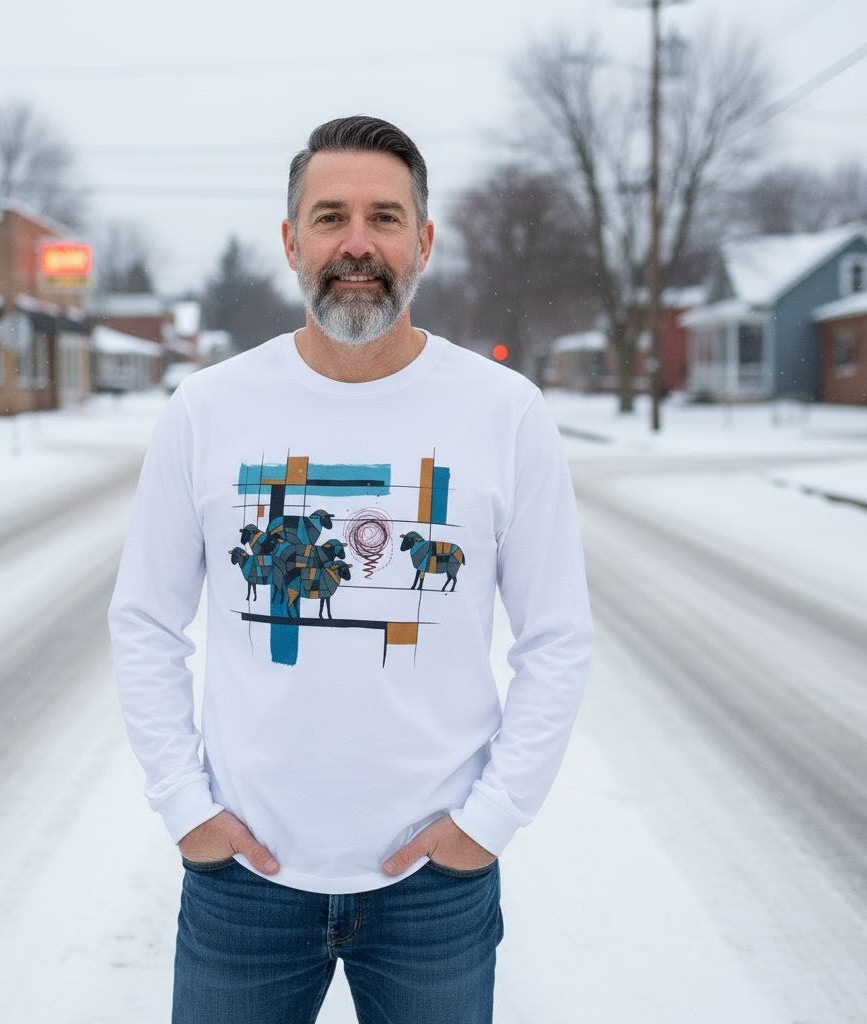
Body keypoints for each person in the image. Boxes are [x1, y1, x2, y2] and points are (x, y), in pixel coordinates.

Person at [108, 114, 592, 1024]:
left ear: (425, 240)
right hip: (245, 881)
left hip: (432, 889)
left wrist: (488, 824)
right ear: (292, 240)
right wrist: (185, 807)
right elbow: (143, 621)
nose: (358, 244)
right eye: (330, 217)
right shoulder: (210, 409)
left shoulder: (504, 413)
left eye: (386, 217)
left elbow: (557, 637)